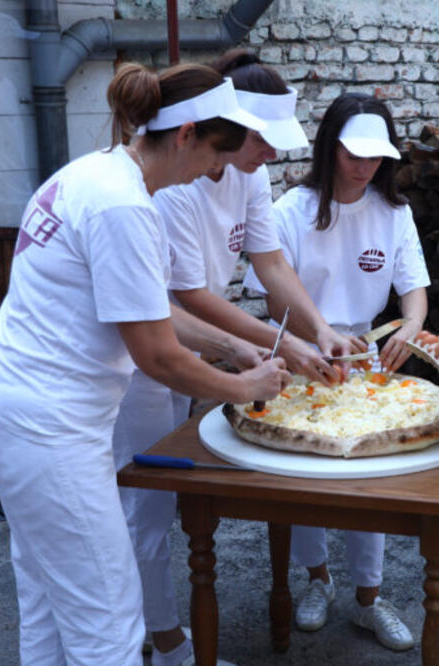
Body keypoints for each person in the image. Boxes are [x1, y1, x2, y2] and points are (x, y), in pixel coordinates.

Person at [0, 63, 291, 665]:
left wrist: (231, 346)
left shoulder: (98, 174)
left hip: (17, 405)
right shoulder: (123, 207)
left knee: (46, 591)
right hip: (48, 424)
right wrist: (242, 386)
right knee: (109, 618)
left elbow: (142, 315)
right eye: (216, 154)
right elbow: (158, 355)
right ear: (187, 133)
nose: (217, 171)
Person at [111, 51, 357, 666]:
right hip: (147, 348)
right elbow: (189, 296)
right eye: (262, 142)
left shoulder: (247, 173)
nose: (272, 156)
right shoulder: (174, 183)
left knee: (163, 497)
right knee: (145, 502)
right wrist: (279, 345)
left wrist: (317, 329)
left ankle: (146, 628)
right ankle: (164, 641)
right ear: (224, 128)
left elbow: (271, 264)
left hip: (186, 341)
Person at [243, 92, 429, 652]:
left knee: (366, 483)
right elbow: (275, 302)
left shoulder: (394, 212)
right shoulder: (289, 211)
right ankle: (316, 579)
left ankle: (369, 596)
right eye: (354, 155)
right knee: (306, 477)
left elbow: (413, 291)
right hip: (304, 355)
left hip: (366, 359)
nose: (364, 167)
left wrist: (411, 328)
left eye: (375, 157)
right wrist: (318, 335)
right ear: (330, 149)